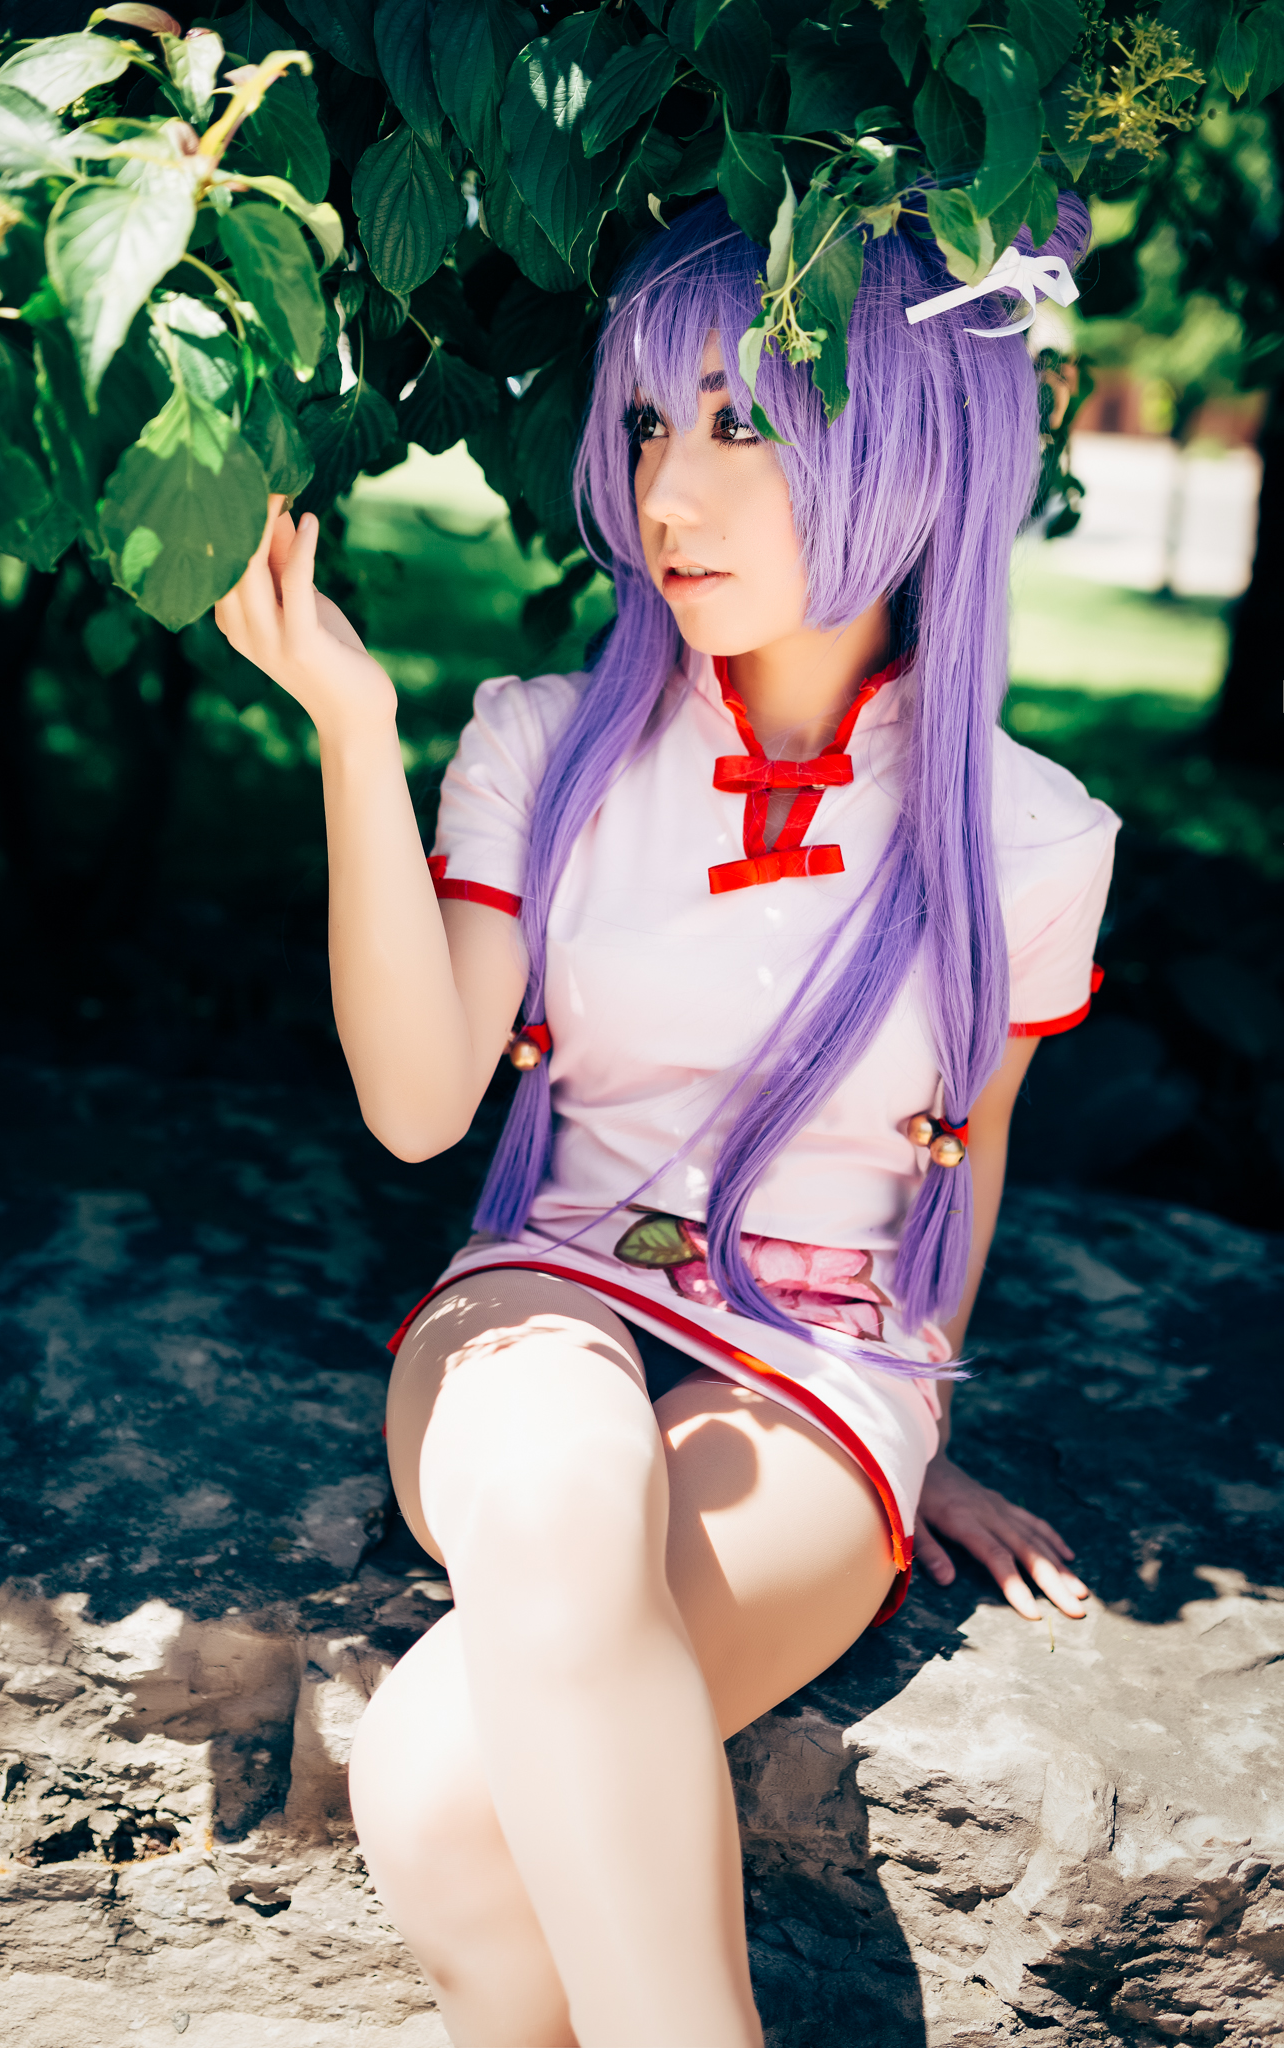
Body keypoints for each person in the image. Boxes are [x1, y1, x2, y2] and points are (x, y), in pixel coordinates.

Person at [215, 192, 1117, 2048]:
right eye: (643, 424)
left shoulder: (1030, 837)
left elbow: (970, 1154)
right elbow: (418, 1110)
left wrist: (925, 1411)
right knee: (561, 1472)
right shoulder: (543, 744)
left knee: (443, 1781)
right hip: (548, 1283)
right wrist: (352, 733)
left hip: (820, 1361)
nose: (666, 493)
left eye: (740, 426)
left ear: (916, 450)